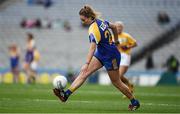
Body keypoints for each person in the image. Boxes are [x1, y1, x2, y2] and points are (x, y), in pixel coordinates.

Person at [53, 5, 140, 110]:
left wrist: (86, 63)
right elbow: (114, 27)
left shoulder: (93, 29)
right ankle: (65, 95)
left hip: (111, 55)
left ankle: (134, 101)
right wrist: (116, 41)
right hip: (102, 53)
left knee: (116, 82)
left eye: (83, 19)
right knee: (84, 73)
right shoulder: (101, 21)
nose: (82, 22)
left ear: (89, 17)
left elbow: (92, 48)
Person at [115, 22, 137, 94]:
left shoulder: (126, 36)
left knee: (119, 75)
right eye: (117, 26)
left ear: (122, 28)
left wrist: (128, 46)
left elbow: (135, 43)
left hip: (125, 56)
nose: (118, 28)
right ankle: (129, 85)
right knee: (116, 76)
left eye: (120, 26)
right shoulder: (113, 36)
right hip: (116, 56)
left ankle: (128, 89)